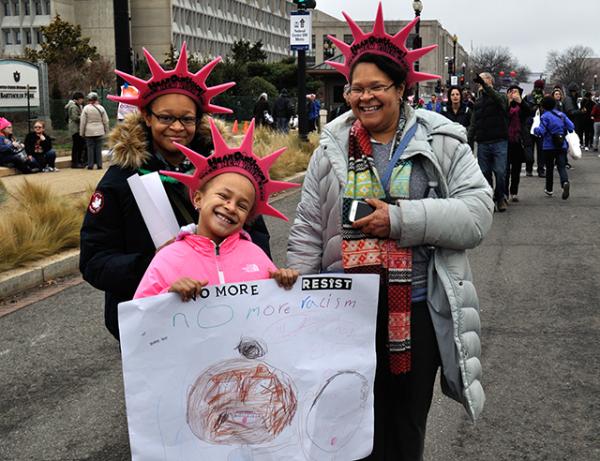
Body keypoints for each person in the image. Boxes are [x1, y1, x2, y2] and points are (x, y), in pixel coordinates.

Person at [288, 5, 493, 460]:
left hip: (415, 311)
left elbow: (477, 216)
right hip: (343, 310)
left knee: (402, 428)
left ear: (401, 88)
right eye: (356, 89)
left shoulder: (442, 140)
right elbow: (305, 227)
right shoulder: (331, 148)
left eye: (377, 87)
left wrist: (399, 221)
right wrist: (294, 304)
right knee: (343, 426)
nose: (365, 98)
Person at [79, 43, 271, 341]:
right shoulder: (121, 179)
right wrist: (154, 263)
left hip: (230, 316)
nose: (177, 127)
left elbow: (257, 237)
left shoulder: (224, 172)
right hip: (152, 327)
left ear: (199, 119)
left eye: (187, 119)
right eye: (166, 118)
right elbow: (94, 261)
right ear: (147, 116)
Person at [134, 118, 299, 300]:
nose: (230, 207)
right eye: (223, 196)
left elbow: (275, 310)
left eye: (242, 205)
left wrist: (284, 285)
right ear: (198, 198)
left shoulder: (256, 255)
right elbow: (140, 316)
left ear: (248, 217)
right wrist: (168, 296)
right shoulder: (168, 257)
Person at [468, 72, 509, 212]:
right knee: (484, 172)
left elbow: (499, 101)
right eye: (480, 81)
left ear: (490, 81)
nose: (481, 83)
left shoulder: (501, 97)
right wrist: (469, 143)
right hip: (483, 142)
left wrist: (486, 87)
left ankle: (501, 197)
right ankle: (490, 198)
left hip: (499, 140)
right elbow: (473, 124)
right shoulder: (478, 103)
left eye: (484, 80)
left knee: (500, 171)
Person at [533, 96, 574, 200]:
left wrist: (535, 130)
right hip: (561, 145)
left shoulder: (545, 117)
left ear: (543, 106)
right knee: (561, 166)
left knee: (549, 168)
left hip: (548, 146)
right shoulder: (561, 115)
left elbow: (541, 132)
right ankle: (564, 182)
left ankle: (549, 189)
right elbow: (571, 127)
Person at [504, 85, 532, 202]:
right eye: (511, 92)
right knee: (505, 169)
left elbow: (528, 112)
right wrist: (508, 102)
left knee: (516, 168)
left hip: (518, 140)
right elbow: (502, 116)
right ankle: (504, 192)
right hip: (505, 140)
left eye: (516, 92)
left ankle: (514, 192)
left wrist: (520, 101)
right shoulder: (504, 104)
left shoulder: (523, 105)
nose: (513, 94)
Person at [80, 92, 109, 170]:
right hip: (99, 130)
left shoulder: (86, 108)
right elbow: (106, 121)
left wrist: (82, 132)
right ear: (97, 99)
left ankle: (90, 165)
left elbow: (83, 122)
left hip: (89, 131)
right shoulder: (101, 108)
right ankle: (99, 165)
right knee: (98, 148)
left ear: (89, 99)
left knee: (90, 148)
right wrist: (107, 131)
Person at [524, 79, 545, 176]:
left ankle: (541, 169)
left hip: (541, 126)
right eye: (537, 87)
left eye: (540, 87)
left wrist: (542, 109)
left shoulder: (544, 99)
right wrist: (533, 109)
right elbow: (523, 111)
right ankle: (529, 169)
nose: (538, 89)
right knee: (529, 148)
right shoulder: (528, 97)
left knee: (541, 149)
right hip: (530, 125)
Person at [65, 91, 86, 168]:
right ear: (77, 99)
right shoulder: (73, 107)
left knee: (78, 145)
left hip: (76, 128)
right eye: (81, 99)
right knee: (77, 146)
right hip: (75, 129)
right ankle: (75, 162)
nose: (82, 101)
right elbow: (75, 117)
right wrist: (83, 116)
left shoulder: (77, 106)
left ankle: (78, 161)